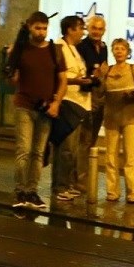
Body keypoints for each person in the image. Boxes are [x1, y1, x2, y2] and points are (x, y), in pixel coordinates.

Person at [6, 11, 66, 212]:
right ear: (29, 27)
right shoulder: (21, 49)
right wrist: (11, 59)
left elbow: (63, 79)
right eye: (37, 28)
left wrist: (56, 102)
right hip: (24, 105)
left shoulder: (54, 50)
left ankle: (32, 190)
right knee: (24, 149)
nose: (41, 32)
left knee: (38, 152)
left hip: (46, 108)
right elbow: (12, 79)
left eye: (44, 28)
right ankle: (20, 190)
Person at [96, 38, 134, 203]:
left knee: (130, 156)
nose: (119, 51)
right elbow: (100, 93)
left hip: (131, 115)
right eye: (116, 48)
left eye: (122, 49)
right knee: (110, 156)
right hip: (111, 116)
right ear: (112, 51)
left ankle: (133, 192)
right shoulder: (108, 70)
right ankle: (112, 191)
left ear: (128, 52)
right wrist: (101, 77)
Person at [51, 15, 92, 202]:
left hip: (79, 102)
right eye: (80, 28)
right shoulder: (60, 47)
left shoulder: (74, 49)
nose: (83, 32)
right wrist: (78, 80)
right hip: (67, 102)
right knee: (66, 148)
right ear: (70, 29)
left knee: (72, 149)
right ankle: (60, 186)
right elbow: (60, 76)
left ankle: (66, 184)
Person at [75, 14, 108, 194]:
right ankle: (80, 181)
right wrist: (96, 74)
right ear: (89, 29)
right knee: (84, 140)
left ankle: (83, 178)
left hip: (99, 98)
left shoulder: (103, 48)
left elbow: (103, 71)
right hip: (84, 97)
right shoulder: (81, 47)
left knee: (91, 140)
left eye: (100, 29)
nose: (97, 32)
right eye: (94, 28)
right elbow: (82, 73)